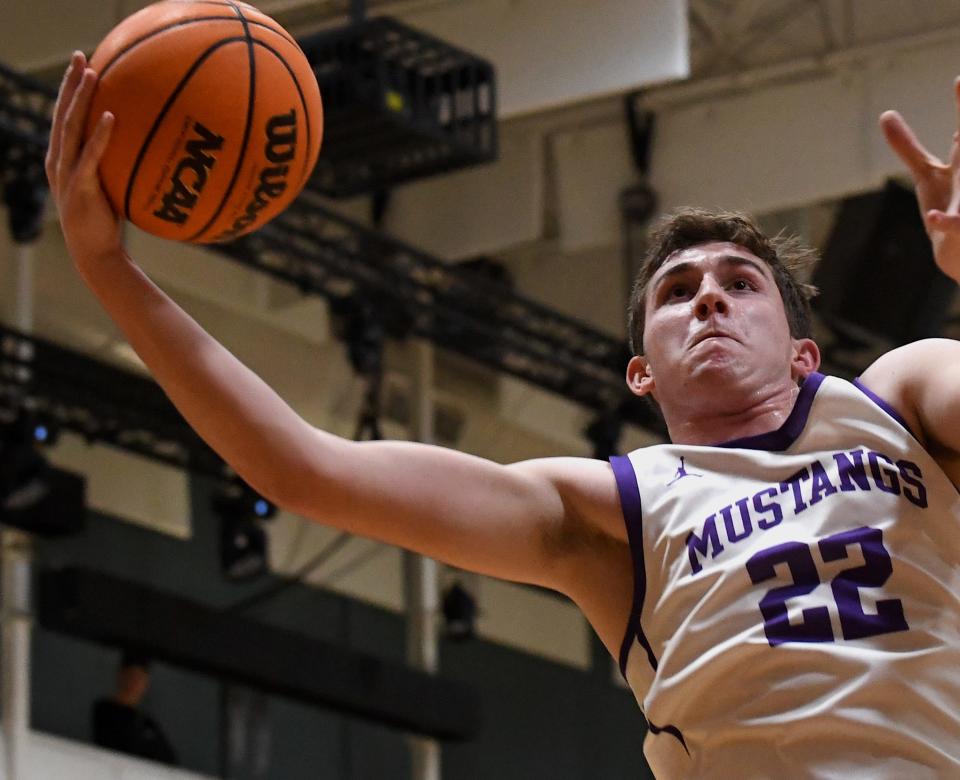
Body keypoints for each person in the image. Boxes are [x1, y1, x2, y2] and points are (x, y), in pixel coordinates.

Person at [47, 50, 960, 778]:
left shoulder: (898, 397)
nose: (709, 299)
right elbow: (303, 469)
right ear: (641, 374)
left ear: (805, 353)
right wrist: (106, 269)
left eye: (740, 283)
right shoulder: (611, 513)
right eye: (678, 290)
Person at [92, 650, 178, 765]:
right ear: (122, 675)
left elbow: (168, 759)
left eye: (140, 678)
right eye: (131, 676)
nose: (135, 684)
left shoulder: (147, 723)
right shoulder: (104, 711)